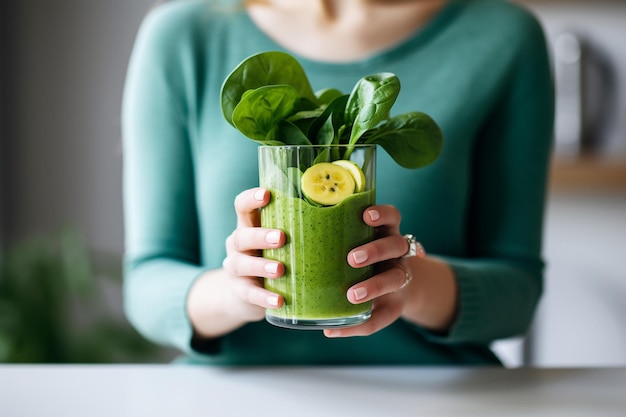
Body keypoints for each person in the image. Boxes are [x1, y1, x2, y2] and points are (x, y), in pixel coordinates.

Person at [122, 0, 554, 365]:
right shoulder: (185, 36)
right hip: (239, 396)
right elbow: (146, 283)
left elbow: (517, 291)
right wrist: (236, 294)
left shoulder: (504, 37)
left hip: (437, 395)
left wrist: (408, 282)